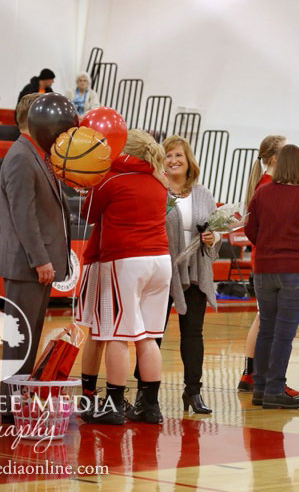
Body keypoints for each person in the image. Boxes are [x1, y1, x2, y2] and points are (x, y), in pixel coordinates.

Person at [77, 129, 171, 425]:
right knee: (147, 337)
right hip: (161, 260)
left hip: (127, 259)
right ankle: (150, 406)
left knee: (115, 333)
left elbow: (87, 213)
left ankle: (113, 405)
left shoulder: (112, 178)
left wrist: (92, 178)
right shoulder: (159, 181)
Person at [132, 136, 220, 415]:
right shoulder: (156, 189)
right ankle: (146, 395)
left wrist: (212, 237)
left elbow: (217, 229)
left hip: (194, 272)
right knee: (152, 335)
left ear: (188, 159)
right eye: (168, 156)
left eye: (179, 155)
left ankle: (193, 392)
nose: (173, 160)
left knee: (193, 334)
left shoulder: (204, 193)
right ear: (161, 161)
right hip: (161, 271)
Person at [0, 93, 70, 421]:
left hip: (35, 265)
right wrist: (40, 258)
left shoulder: (36, 154)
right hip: (27, 265)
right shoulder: (22, 156)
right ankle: (10, 407)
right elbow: (24, 216)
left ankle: (19, 401)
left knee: (28, 338)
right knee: (19, 341)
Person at [245, 144, 299, 409]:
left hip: (264, 271)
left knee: (267, 329)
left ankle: (260, 389)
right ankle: (275, 390)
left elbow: (250, 231)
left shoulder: (262, 193)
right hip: (296, 271)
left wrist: (269, 247)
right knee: (283, 334)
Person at [238, 135, 297, 396]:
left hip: (266, 262)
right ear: (274, 158)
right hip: (271, 264)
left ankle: (251, 374)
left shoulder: (268, 185)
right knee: (272, 324)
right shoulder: (269, 187)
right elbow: (257, 230)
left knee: (264, 319)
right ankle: (268, 379)